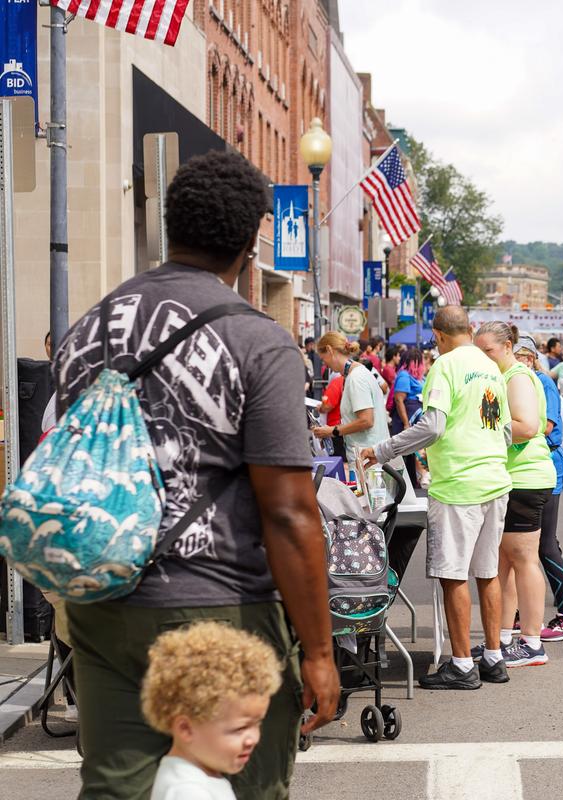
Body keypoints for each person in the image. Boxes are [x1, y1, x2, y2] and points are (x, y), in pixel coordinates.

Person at [53, 150, 337, 797]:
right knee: (243, 786)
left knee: (115, 788)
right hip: (219, 603)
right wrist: (319, 652)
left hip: (102, 595)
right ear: (249, 240)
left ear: (170, 224)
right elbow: (289, 511)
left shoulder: (88, 330)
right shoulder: (258, 340)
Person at [362, 306, 512, 690]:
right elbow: (507, 429)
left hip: (459, 483)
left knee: (452, 574)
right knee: (488, 571)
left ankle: (462, 664)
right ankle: (493, 656)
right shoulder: (490, 366)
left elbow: (433, 425)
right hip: (495, 478)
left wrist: (382, 449)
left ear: (439, 335)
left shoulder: (445, 366)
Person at [475, 322, 558, 667]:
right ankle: (504, 637)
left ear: (507, 346)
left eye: (489, 351)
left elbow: (527, 426)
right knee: (504, 562)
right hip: (512, 478)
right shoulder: (502, 377)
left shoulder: (518, 377)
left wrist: (481, 433)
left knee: (523, 559)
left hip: (525, 478)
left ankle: (533, 642)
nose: (484, 358)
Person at [142, 621, 281, 800]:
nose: (254, 738)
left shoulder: (196, 778)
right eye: (240, 728)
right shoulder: (188, 792)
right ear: (185, 728)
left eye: (257, 724)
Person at [513, 336, 563, 640]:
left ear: (530, 358)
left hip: (545, 473)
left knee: (543, 544)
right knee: (518, 548)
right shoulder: (519, 381)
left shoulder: (541, 382)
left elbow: (549, 429)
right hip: (523, 473)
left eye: (520, 356)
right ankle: (519, 614)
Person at [311, 332, 390, 459]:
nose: (325, 364)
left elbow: (366, 420)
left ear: (330, 350)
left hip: (367, 456)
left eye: (323, 358)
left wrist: (332, 431)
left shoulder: (355, 377)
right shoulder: (357, 373)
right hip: (369, 454)